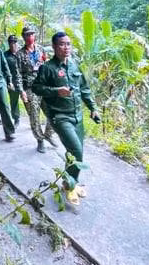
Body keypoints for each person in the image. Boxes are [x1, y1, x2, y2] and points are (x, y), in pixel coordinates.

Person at [32, 32, 99, 206]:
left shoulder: (75, 65)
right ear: (54, 47)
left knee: (73, 152)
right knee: (77, 152)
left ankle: (70, 182)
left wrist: (93, 108)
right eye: (62, 44)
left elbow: (84, 89)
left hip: (77, 116)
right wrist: (56, 91)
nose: (66, 47)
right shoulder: (47, 68)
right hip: (60, 116)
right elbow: (36, 88)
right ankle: (70, 186)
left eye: (68, 44)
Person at [15, 25, 56, 153]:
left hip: (44, 85)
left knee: (53, 111)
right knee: (34, 116)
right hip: (30, 88)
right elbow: (17, 74)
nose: (30, 37)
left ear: (34, 35)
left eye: (31, 34)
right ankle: (40, 140)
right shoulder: (19, 54)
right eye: (27, 35)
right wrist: (21, 91)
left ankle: (48, 134)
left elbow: (46, 65)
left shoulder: (41, 49)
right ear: (23, 37)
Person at [4, 35, 23, 130]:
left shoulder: (22, 53)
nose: (13, 44)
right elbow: (3, 70)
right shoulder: (5, 55)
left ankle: (33, 118)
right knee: (14, 101)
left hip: (24, 81)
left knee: (28, 100)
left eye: (14, 42)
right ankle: (16, 118)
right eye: (11, 42)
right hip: (12, 82)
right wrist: (7, 82)